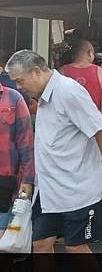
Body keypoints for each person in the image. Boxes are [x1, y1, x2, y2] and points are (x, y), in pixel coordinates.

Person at [6, 50, 102, 253]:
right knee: (40, 244)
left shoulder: (68, 91)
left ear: (36, 71)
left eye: (20, 80)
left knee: (75, 247)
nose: (19, 87)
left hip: (77, 188)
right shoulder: (43, 95)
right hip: (48, 189)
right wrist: (29, 181)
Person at [0, 78, 34, 239]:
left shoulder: (13, 98)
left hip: (5, 182)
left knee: (4, 236)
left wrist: (27, 180)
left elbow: (26, 143)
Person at [61, 39, 102, 119]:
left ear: (72, 55)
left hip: (66, 126)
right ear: (89, 53)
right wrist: (99, 126)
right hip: (93, 125)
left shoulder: (61, 72)